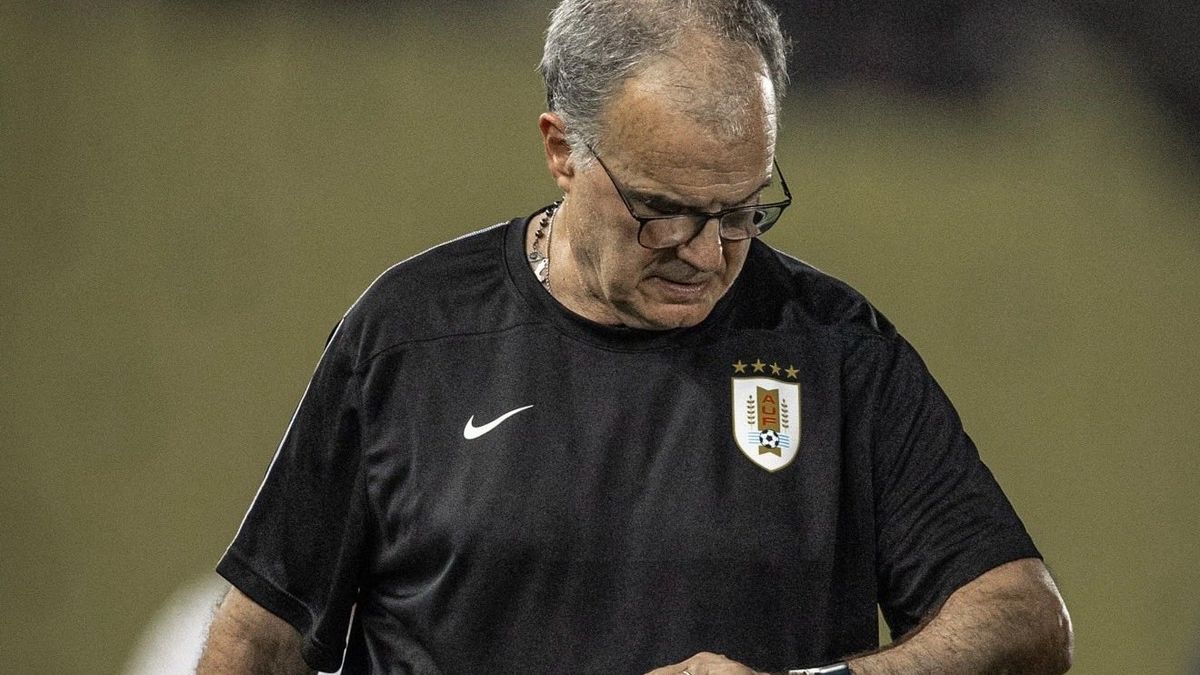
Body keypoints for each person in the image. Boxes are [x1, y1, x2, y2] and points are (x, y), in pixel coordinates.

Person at [199, 1, 1073, 673]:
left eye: (742, 210)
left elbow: (1025, 618)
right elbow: (258, 640)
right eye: (662, 211)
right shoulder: (409, 336)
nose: (707, 253)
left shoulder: (837, 352)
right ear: (562, 150)